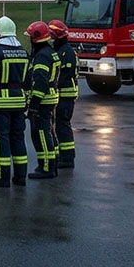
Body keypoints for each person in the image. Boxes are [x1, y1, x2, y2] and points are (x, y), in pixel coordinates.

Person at [0, 16, 30, 188]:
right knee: (18, 139)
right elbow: (29, 81)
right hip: (19, 103)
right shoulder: (24, 51)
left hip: (0, 105)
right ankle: (20, 176)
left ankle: (2, 177)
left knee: (0, 139)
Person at [24, 21, 59, 180]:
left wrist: (33, 105)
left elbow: (40, 82)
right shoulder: (49, 52)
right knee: (48, 132)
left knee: (41, 134)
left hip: (43, 100)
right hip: (50, 98)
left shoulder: (42, 56)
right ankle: (52, 164)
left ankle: (47, 167)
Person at [49, 20, 79, 168]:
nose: (51, 39)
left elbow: (63, 75)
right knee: (59, 125)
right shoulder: (61, 51)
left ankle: (67, 158)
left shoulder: (67, 52)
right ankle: (64, 155)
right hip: (60, 95)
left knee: (63, 124)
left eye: (53, 36)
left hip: (66, 95)